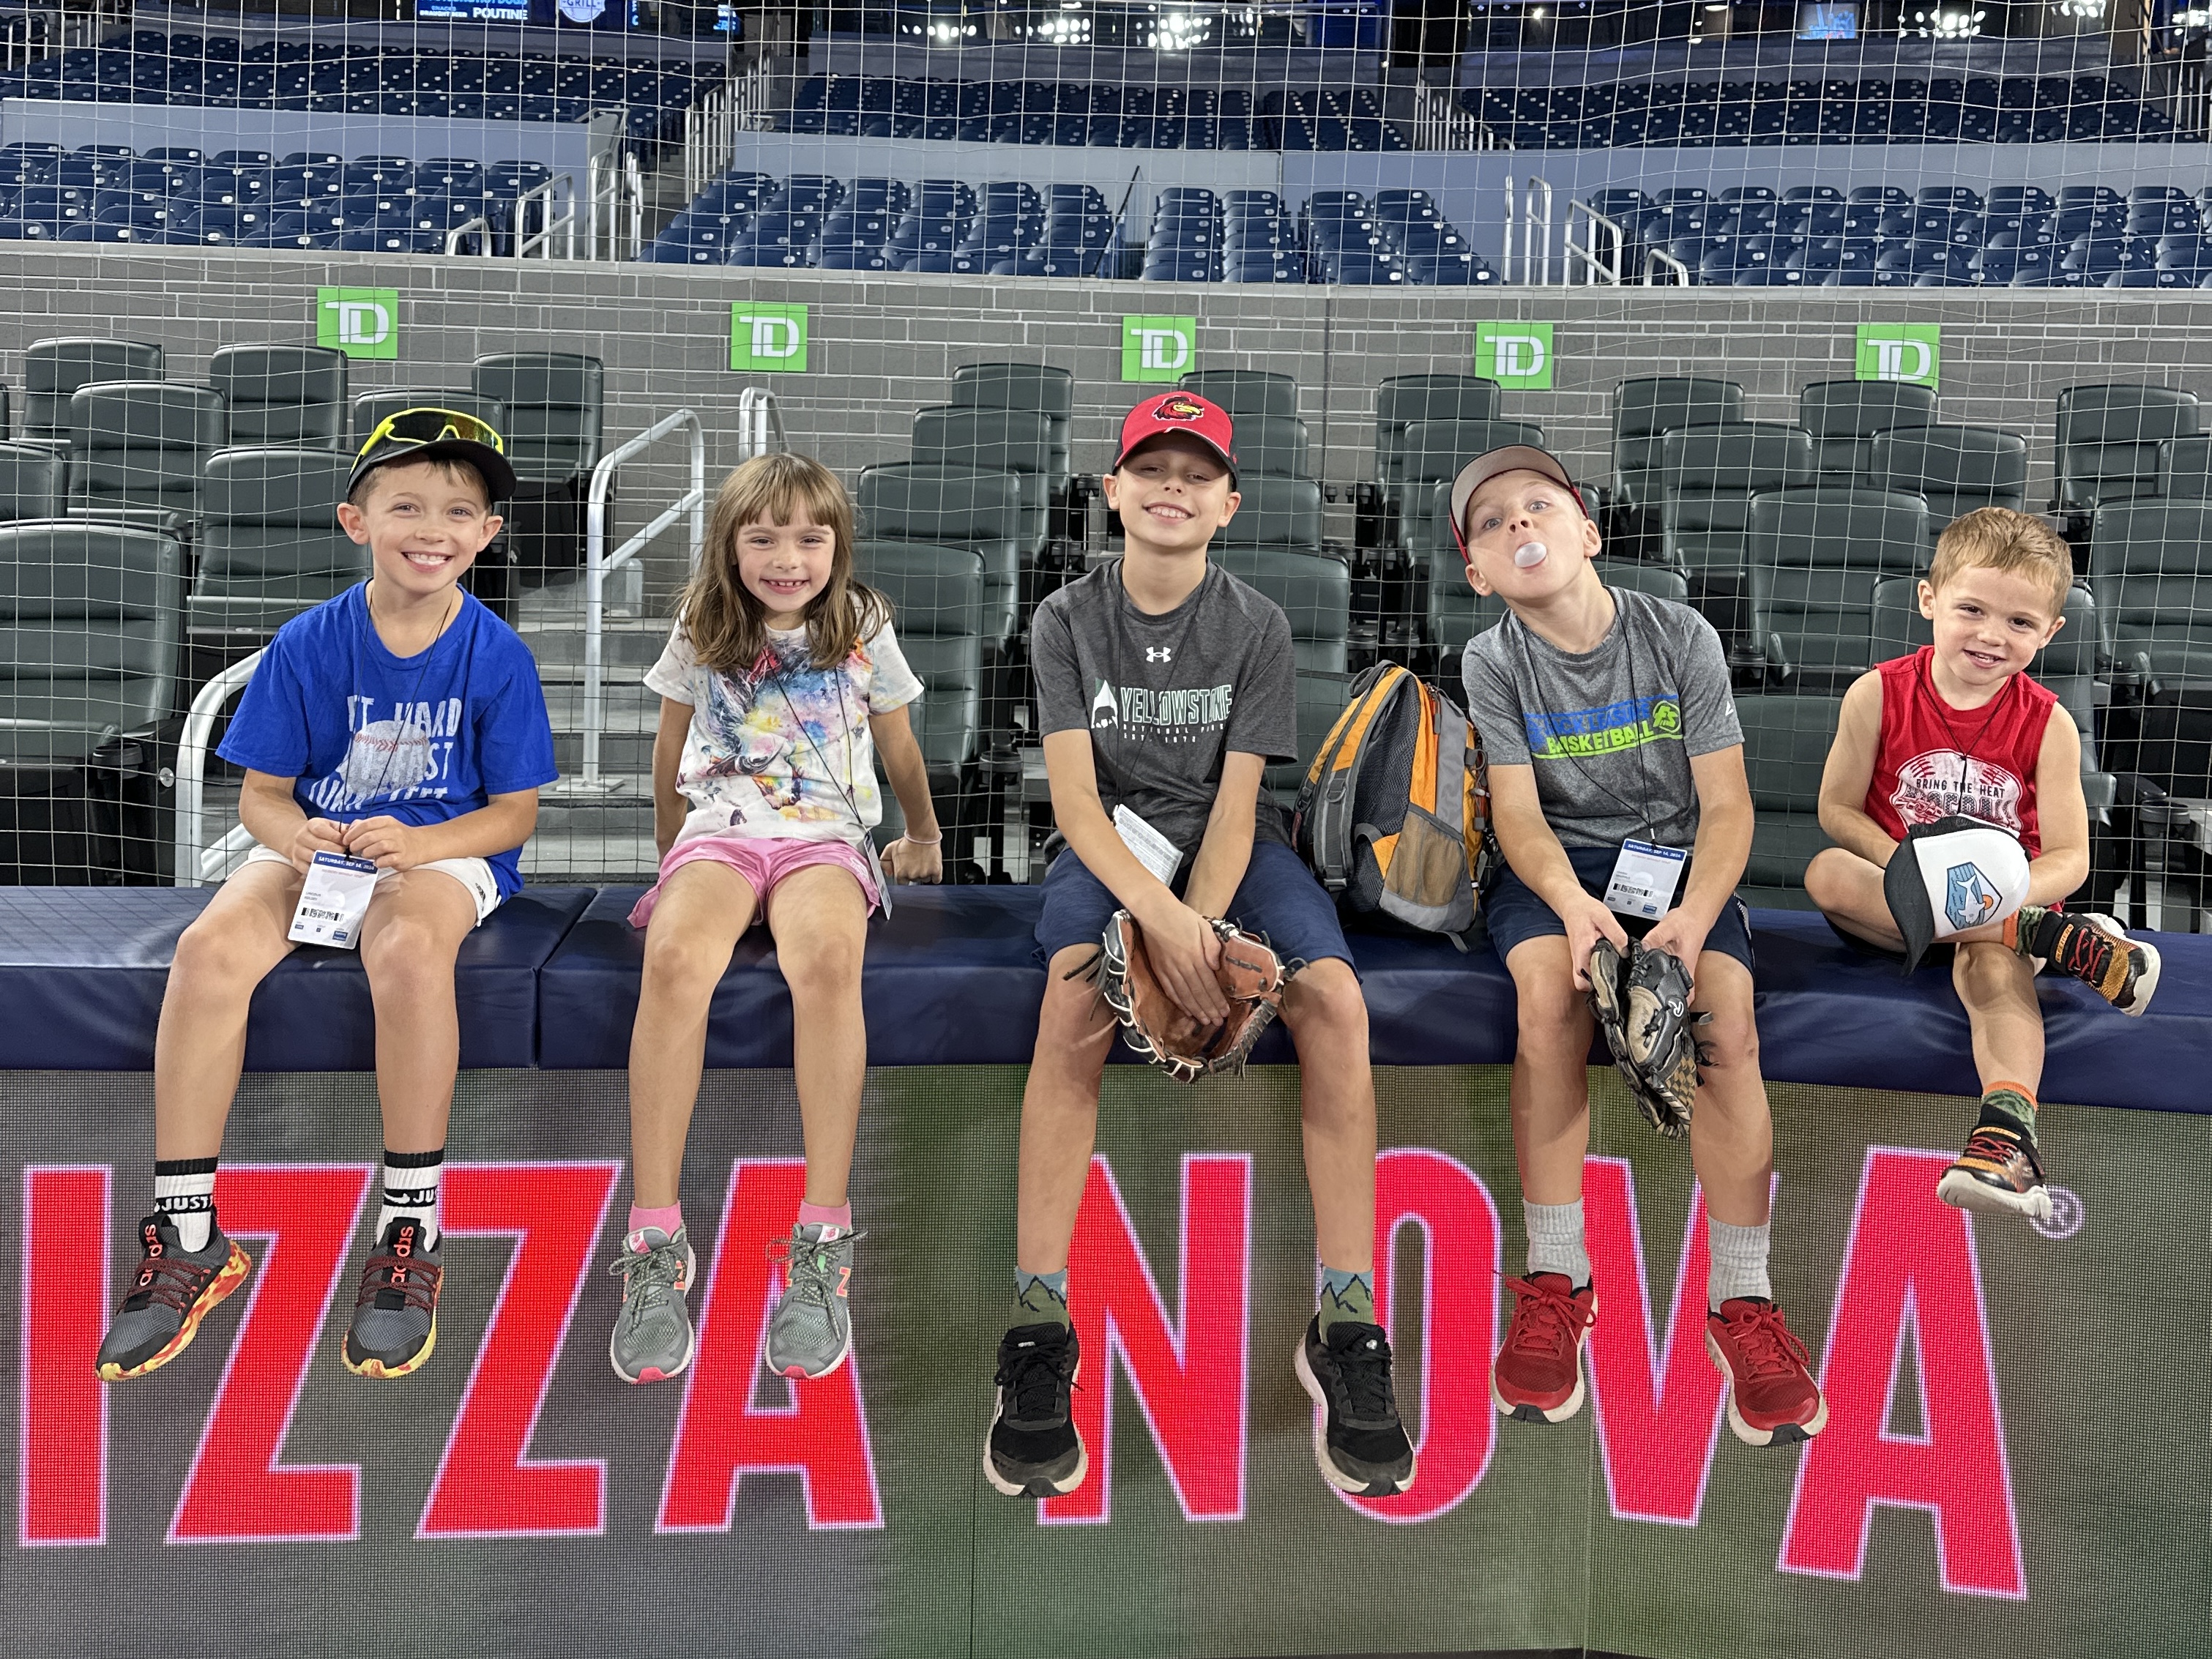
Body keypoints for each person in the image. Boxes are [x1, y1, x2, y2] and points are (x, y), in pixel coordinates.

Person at [984, 392, 1415, 1501]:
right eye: (1150, 468)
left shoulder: (1256, 624)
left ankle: (1347, 1318)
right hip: (1112, 845)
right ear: (1113, 492)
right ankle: (1037, 1324)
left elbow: (1237, 803)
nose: (1171, 487)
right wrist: (1156, 922)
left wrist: (1204, 932)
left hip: (1233, 848)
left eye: (1196, 474)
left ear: (1228, 504)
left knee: (1336, 1001)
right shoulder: (1064, 619)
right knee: (1072, 1001)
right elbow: (1074, 804)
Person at [96, 409, 556, 1383]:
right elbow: (262, 796)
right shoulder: (307, 641)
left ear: (487, 533)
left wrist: (421, 844)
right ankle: (189, 1233)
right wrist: (293, 835)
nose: (431, 529)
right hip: (323, 849)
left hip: (440, 852)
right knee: (207, 951)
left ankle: (409, 1224)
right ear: (357, 520)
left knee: (408, 949)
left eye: (458, 512)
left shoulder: (496, 654)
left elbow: (514, 814)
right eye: (406, 506)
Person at [1455, 445, 1828, 1448]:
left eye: (1539, 505)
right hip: (1557, 870)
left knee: (1726, 1024)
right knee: (1549, 998)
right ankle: (1557, 1278)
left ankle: (1741, 1300)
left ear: (1588, 532)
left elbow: (1728, 805)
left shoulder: (1677, 632)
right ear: (1477, 572)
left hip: (1677, 865)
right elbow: (1518, 818)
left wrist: (1693, 921)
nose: (1518, 523)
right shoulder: (1493, 659)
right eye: (1490, 521)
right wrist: (1573, 906)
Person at [608, 452, 942, 1387]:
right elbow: (671, 742)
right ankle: (656, 1240)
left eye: (808, 538)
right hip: (722, 832)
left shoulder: (861, 624)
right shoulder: (703, 620)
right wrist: (674, 852)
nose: (787, 558)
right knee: (676, 957)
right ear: (730, 545)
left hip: (822, 838)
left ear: (838, 545)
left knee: (827, 959)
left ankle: (822, 1239)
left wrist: (923, 832)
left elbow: (899, 741)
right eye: (763, 539)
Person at [1805, 507, 2160, 1225]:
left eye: (2020, 622)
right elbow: (1837, 810)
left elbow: (2070, 856)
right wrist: (1912, 870)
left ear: (2050, 631)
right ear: (1929, 598)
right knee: (1826, 874)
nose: (1992, 635)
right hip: (1897, 903)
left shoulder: (2049, 723)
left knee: (1991, 971)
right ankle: (2055, 939)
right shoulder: (1877, 693)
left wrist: (2001, 899)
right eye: (1972, 609)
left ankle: (2007, 1143)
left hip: (2000, 908)